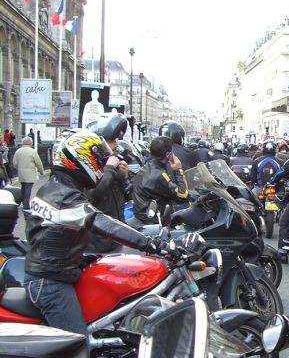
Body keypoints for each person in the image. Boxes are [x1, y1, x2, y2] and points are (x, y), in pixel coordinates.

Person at [23, 130, 162, 335]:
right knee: (78, 347)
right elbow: (103, 223)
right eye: (97, 160)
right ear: (80, 159)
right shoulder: (63, 196)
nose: (99, 165)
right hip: (50, 284)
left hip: (61, 274)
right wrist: (151, 244)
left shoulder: (58, 187)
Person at [86, 113, 131, 253]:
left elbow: (129, 196)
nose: (116, 144)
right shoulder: (88, 167)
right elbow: (94, 194)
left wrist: (124, 177)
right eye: (112, 140)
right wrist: (110, 169)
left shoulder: (111, 166)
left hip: (116, 235)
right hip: (99, 242)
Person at [131, 136, 189, 224]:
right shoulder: (159, 175)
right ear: (168, 154)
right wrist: (178, 170)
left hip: (143, 214)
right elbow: (183, 195)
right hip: (153, 221)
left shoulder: (148, 166)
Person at [12, 136, 44, 212]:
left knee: (23, 187)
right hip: (30, 173)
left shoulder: (18, 151)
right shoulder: (33, 151)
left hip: (21, 173)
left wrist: (19, 168)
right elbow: (38, 163)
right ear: (30, 143)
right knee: (28, 189)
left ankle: (23, 202)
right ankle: (26, 205)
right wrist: (41, 171)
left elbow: (14, 163)